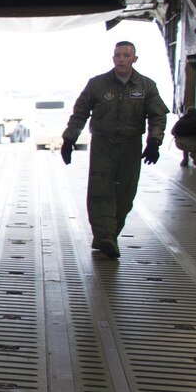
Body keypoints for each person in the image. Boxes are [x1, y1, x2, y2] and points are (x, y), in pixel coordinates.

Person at [60, 39, 167, 258]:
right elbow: (80, 112)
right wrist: (69, 139)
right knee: (101, 192)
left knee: (125, 194)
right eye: (118, 55)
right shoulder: (97, 85)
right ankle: (105, 237)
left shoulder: (146, 86)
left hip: (130, 145)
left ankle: (109, 236)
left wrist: (154, 142)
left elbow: (157, 115)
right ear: (113, 58)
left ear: (134, 59)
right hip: (103, 144)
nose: (121, 59)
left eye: (126, 55)